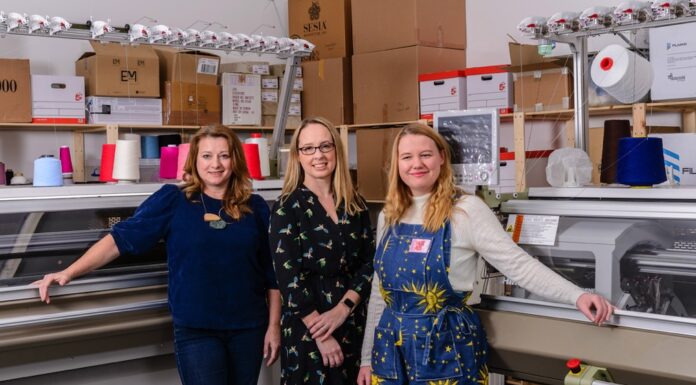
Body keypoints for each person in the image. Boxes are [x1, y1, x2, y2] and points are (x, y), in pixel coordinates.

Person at [357, 123, 613, 385]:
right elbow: (380, 291)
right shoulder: (390, 214)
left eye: (426, 154)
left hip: (446, 351)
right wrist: (367, 358)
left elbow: (518, 265)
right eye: (407, 157)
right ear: (397, 164)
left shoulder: (466, 210)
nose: (417, 164)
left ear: (442, 158)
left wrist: (577, 295)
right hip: (390, 351)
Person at [34, 126, 280, 385]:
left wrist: (273, 326)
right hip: (197, 330)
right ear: (195, 160)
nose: (215, 164)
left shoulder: (255, 206)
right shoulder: (173, 200)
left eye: (224, 156)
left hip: (248, 328)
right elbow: (120, 239)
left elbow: (271, 273)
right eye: (207, 156)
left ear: (235, 160)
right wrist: (68, 272)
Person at [269, 117, 375, 385]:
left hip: (352, 322)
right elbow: (288, 278)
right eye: (309, 148)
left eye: (325, 146)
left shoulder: (354, 204)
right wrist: (322, 335)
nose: (319, 155)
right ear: (298, 156)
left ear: (336, 151)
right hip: (308, 330)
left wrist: (345, 308)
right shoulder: (287, 207)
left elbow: (369, 263)